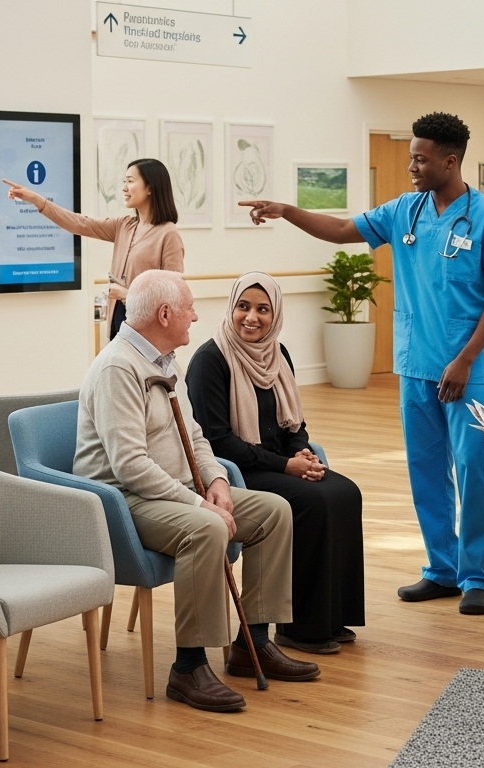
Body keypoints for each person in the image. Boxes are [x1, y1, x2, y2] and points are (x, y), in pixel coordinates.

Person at [240, 112, 484, 616]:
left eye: (421, 158)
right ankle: (441, 570)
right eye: (412, 156)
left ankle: (478, 576)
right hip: (415, 366)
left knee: (474, 473)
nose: (412, 166)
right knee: (425, 471)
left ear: (450, 160)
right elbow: (343, 228)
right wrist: (287, 210)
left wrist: (465, 359)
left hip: (465, 369)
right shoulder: (406, 212)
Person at [75, 269, 317, 712]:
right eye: (188, 307)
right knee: (207, 528)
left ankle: (252, 643)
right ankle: (188, 667)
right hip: (122, 502)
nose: (195, 316)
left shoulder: (164, 359)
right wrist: (198, 502)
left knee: (273, 512)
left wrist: (219, 483)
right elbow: (129, 467)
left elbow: (198, 437)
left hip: (178, 489)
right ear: (164, 313)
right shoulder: (117, 367)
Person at [186, 272, 366, 654]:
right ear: (231, 308)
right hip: (237, 470)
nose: (251, 317)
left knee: (346, 493)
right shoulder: (209, 361)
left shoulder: (277, 354)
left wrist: (302, 452)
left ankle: (332, 616)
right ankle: (297, 627)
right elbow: (218, 441)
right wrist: (287, 467)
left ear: (275, 314)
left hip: (280, 463)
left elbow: (294, 422)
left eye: (262, 309)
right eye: (243, 307)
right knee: (312, 502)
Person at [4, 157, 183, 339]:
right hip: (119, 322)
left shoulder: (168, 234)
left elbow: (174, 297)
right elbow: (79, 223)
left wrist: (128, 295)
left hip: (148, 332)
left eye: (130, 181)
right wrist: (36, 199)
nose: (124, 188)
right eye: (124, 181)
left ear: (150, 188)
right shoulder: (125, 225)